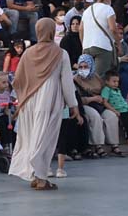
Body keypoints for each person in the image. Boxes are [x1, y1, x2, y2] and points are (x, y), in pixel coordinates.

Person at [8, 17, 80, 190]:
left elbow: (17, 80)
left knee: (31, 137)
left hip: (29, 101)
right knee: (45, 138)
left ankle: (34, 174)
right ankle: (41, 178)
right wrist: (73, 106)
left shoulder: (28, 53)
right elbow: (67, 83)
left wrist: (23, 95)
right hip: (49, 99)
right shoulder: (61, 53)